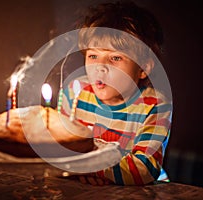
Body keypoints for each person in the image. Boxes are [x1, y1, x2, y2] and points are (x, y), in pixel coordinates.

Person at [60, 0, 172, 186]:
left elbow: (144, 169)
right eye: (93, 56)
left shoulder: (155, 104)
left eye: (115, 58)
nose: (100, 67)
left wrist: (84, 165)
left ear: (143, 67)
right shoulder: (75, 91)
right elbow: (59, 149)